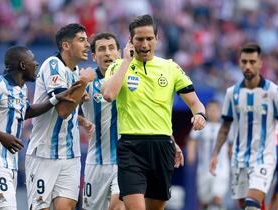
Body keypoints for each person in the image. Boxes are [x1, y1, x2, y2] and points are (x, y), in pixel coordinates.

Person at [101, 14, 206, 210]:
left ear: (157, 39)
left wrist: (199, 115)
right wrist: (125, 61)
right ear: (131, 41)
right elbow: (108, 94)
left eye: (149, 38)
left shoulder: (170, 67)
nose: (145, 43)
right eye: (139, 39)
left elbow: (195, 102)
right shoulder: (118, 66)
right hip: (131, 146)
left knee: (156, 207)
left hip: (162, 147)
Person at [0, 45, 82, 210]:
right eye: (32, 60)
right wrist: (0, 135)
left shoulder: (21, 89)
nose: (36, 63)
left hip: (9, 164)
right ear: (23, 65)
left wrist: (54, 100)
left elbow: (27, 111)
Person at [209, 43, 278, 210]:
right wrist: (215, 154)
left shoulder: (273, 91)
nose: (247, 66)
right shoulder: (232, 93)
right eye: (244, 61)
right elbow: (225, 126)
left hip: (264, 159)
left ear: (260, 63)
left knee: (252, 204)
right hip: (239, 160)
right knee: (245, 206)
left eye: (252, 62)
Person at [25, 23, 95, 210]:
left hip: (70, 155)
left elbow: (69, 110)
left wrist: (81, 120)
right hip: (44, 154)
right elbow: (63, 111)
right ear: (66, 45)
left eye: (87, 40)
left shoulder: (73, 72)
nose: (87, 45)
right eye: (81, 40)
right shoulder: (53, 65)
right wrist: (84, 82)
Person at [81, 32, 125, 210]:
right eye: (101, 49)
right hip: (96, 163)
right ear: (93, 56)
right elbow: (64, 111)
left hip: (124, 161)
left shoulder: (132, 80)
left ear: (119, 53)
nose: (107, 53)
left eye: (111, 48)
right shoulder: (87, 82)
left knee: (118, 206)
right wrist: (82, 121)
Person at [186, 100, 230, 210]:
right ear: (206, 111)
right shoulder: (201, 125)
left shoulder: (225, 127)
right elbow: (192, 140)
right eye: (210, 110)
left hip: (221, 168)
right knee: (204, 200)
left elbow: (231, 146)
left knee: (217, 197)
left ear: (220, 111)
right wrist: (191, 154)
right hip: (203, 168)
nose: (213, 112)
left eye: (215, 110)